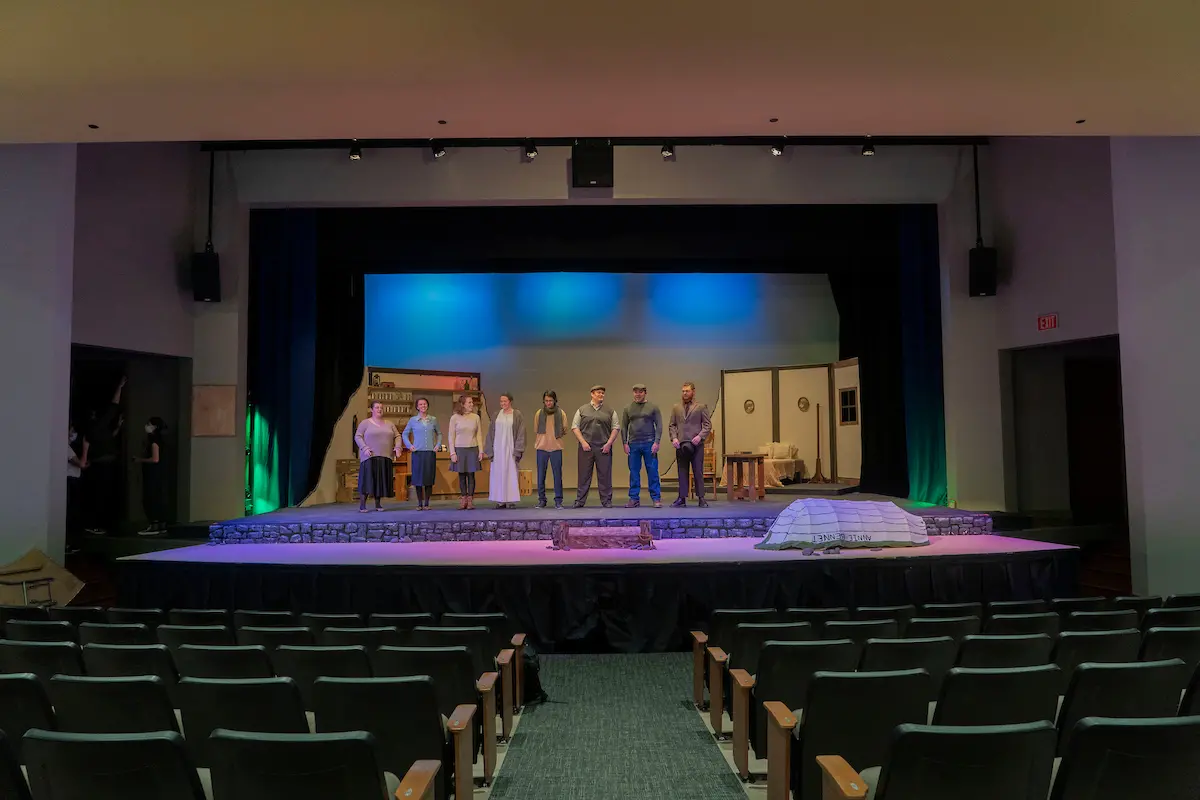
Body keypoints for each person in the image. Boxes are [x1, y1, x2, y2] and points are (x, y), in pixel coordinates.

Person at [82, 377, 125, 535]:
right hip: (103, 466)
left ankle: (97, 524)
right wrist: (119, 386)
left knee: (100, 495)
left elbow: (90, 445)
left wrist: (83, 462)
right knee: (101, 496)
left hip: (100, 465)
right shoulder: (99, 425)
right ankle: (96, 524)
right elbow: (114, 405)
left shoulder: (92, 429)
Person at [571, 385, 620, 508]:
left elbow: (616, 427)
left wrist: (609, 444)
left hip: (604, 448)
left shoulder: (610, 410)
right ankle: (580, 500)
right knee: (584, 475)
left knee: (605, 475)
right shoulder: (582, 410)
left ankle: (606, 501)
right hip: (586, 447)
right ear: (592, 394)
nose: (601, 395)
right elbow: (575, 427)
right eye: (598, 393)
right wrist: (583, 442)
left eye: (602, 393)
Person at [670, 381, 712, 508]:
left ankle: (701, 498)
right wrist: (674, 438)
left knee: (698, 471)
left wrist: (700, 436)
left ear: (693, 392)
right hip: (681, 444)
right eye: (683, 391)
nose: (685, 393)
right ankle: (681, 498)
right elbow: (672, 425)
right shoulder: (676, 407)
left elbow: (707, 425)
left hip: (696, 444)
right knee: (682, 471)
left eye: (687, 391)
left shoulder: (701, 407)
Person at [354, 401, 402, 512]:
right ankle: (362, 505)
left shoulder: (389, 423)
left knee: (380, 481)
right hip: (370, 456)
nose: (379, 409)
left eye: (381, 407)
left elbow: (397, 436)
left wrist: (398, 447)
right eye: (376, 407)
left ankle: (378, 504)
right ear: (372, 410)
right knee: (367, 480)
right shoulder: (365, 423)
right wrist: (364, 448)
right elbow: (358, 436)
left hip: (385, 456)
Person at [622, 383, 663, 508]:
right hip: (633, 444)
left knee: (652, 471)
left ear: (645, 393)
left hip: (649, 443)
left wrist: (657, 442)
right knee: (634, 472)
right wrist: (624, 442)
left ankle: (656, 498)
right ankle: (634, 498)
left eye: (640, 392)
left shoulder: (653, 407)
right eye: (635, 392)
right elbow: (624, 426)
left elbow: (659, 425)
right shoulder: (628, 408)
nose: (637, 394)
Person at [484, 392, 525, 509]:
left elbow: (521, 433)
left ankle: (511, 500)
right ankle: (500, 500)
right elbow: (490, 432)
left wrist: (518, 449)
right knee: (498, 473)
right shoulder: (496, 415)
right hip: (498, 449)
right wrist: (490, 450)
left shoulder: (517, 415)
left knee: (510, 473)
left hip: (510, 448)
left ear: (510, 402)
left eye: (505, 401)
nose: (503, 403)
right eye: (501, 401)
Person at [402, 397, 441, 511]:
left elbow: (439, 433)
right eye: (420, 404)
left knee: (428, 478)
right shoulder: (413, 420)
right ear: (417, 407)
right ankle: (419, 503)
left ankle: (427, 503)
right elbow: (404, 434)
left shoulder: (433, 419)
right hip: (418, 453)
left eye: (425, 404)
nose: (423, 406)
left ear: (427, 406)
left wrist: (437, 445)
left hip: (429, 453)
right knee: (418, 479)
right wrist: (410, 445)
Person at [448, 394, 485, 510]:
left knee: (471, 475)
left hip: (472, 448)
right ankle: (463, 498)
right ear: (463, 404)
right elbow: (451, 436)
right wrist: (452, 453)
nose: (471, 404)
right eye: (469, 402)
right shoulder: (454, 418)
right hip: (459, 449)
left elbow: (479, 435)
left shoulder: (476, 417)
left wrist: (481, 451)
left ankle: (470, 500)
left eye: (472, 402)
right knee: (462, 475)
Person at [133, 417, 169, 535]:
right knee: (157, 497)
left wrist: (139, 460)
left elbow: (155, 459)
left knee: (151, 498)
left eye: (149, 424)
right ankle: (161, 525)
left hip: (153, 474)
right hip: (159, 474)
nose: (146, 426)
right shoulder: (160, 440)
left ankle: (154, 525)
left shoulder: (154, 441)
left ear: (154, 427)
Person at [533, 390, 567, 509]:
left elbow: (564, 429)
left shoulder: (561, 413)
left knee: (557, 475)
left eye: (550, 400)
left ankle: (558, 500)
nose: (548, 403)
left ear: (554, 401)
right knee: (541, 475)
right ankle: (542, 500)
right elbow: (536, 428)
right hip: (541, 447)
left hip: (556, 448)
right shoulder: (539, 413)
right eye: (546, 401)